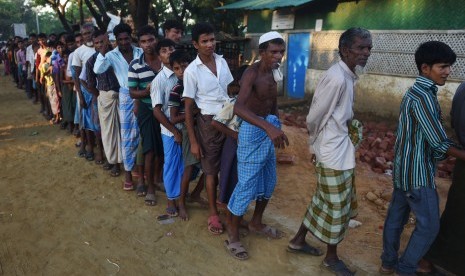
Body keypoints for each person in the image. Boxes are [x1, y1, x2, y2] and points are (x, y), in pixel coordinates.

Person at [287, 27, 372, 275]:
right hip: (331, 152)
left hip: (338, 148)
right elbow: (314, 116)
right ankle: (331, 257)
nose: (366, 53)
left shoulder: (347, 75)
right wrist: (313, 144)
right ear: (345, 50)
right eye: (360, 48)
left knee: (323, 200)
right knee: (336, 205)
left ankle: (298, 240)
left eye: (368, 48)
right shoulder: (336, 78)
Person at [380, 41, 465, 276]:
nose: (448, 71)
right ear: (425, 68)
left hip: (403, 170)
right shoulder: (424, 98)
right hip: (418, 174)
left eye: (449, 66)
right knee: (429, 227)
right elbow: (438, 143)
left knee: (396, 219)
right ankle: (406, 268)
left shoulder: (415, 92)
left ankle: (387, 263)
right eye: (443, 66)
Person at [224, 31, 288, 260]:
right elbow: (239, 108)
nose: (278, 56)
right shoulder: (251, 73)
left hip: (268, 128)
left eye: (281, 52)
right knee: (247, 184)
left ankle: (256, 223)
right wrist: (267, 127)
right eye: (273, 52)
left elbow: (272, 101)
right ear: (262, 52)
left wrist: (276, 125)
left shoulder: (274, 71)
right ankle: (232, 232)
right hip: (252, 131)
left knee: (269, 181)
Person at [183, 22, 234, 235]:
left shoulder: (222, 62)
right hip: (208, 124)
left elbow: (231, 89)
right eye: (204, 41)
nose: (210, 44)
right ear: (195, 44)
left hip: (229, 119)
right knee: (211, 170)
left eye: (212, 39)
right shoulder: (191, 71)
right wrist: (194, 141)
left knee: (229, 164)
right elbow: (188, 108)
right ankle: (213, 212)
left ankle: (227, 206)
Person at [94, 23, 143, 190]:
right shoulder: (111, 55)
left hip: (144, 95)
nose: (123, 42)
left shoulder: (140, 51)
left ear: (131, 37)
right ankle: (128, 173)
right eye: (120, 39)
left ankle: (140, 171)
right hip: (125, 96)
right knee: (127, 135)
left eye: (126, 38)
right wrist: (103, 48)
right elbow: (97, 69)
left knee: (143, 134)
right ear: (116, 40)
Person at [168, 50, 207, 221]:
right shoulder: (177, 88)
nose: (182, 71)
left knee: (210, 166)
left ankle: (196, 193)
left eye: (185, 66)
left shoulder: (199, 82)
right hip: (187, 129)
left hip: (204, 127)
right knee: (189, 167)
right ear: (173, 70)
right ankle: (182, 202)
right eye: (177, 68)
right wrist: (193, 112)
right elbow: (174, 117)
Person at [128, 25, 163, 201]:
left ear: (156, 40)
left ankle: (157, 180)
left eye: (150, 40)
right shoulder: (135, 65)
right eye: (143, 41)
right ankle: (150, 189)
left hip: (165, 111)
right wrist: (146, 92)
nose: (148, 44)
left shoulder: (167, 60)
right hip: (146, 110)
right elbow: (132, 92)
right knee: (149, 150)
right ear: (139, 44)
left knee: (161, 150)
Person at [151, 39, 180, 212]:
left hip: (186, 127)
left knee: (183, 165)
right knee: (170, 165)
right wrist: (174, 130)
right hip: (170, 131)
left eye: (171, 49)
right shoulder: (159, 80)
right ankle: (171, 200)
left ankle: (180, 196)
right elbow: (157, 111)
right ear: (159, 56)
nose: (168, 53)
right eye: (164, 51)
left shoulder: (183, 74)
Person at [85, 29, 119, 166]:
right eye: (97, 43)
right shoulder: (91, 61)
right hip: (104, 98)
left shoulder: (118, 55)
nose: (100, 45)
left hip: (122, 96)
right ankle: (113, 161)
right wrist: (101, 96)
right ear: (94, 44)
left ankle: (126, 163)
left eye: (102, 41)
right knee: (108, 132)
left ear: (108, 40)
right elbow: (90, 84)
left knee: (123, 131)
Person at [72, 23, 97, 161]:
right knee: (86, 122)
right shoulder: (78, 52)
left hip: (100, 90)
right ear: (82, 35)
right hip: (84, 91)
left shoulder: (100, 46)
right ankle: (89, 148)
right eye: (85, 33)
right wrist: (80, 96)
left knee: (98, 123)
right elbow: (76, 75)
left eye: (90, 32)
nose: (88, 35)